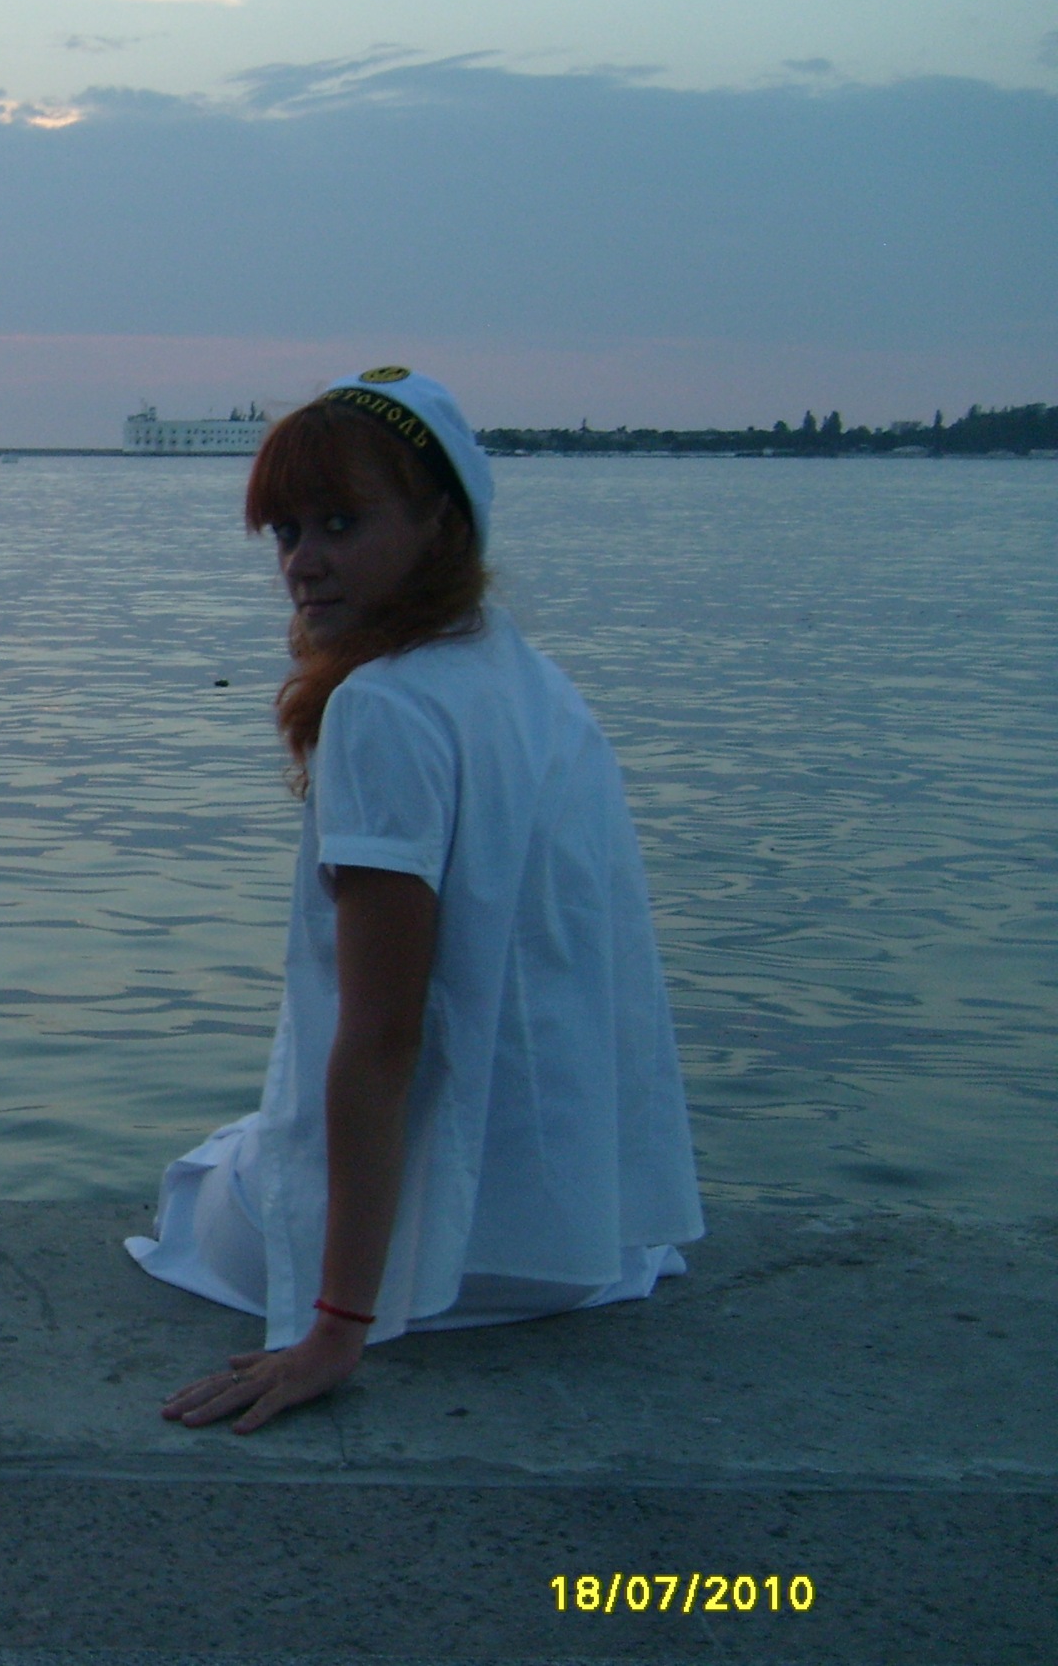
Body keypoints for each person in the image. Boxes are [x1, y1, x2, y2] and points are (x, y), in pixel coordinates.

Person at [128, 367, 704, 1433]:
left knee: (198, 1187)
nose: (303, 561)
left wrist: (335, 1328)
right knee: (251, 1143)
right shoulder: (533, 682)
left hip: (442, 1268)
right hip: (577, 1243)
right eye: (288, 530)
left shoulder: (382, 709)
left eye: (341, 523)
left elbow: (382, 1037)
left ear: (441, 522)